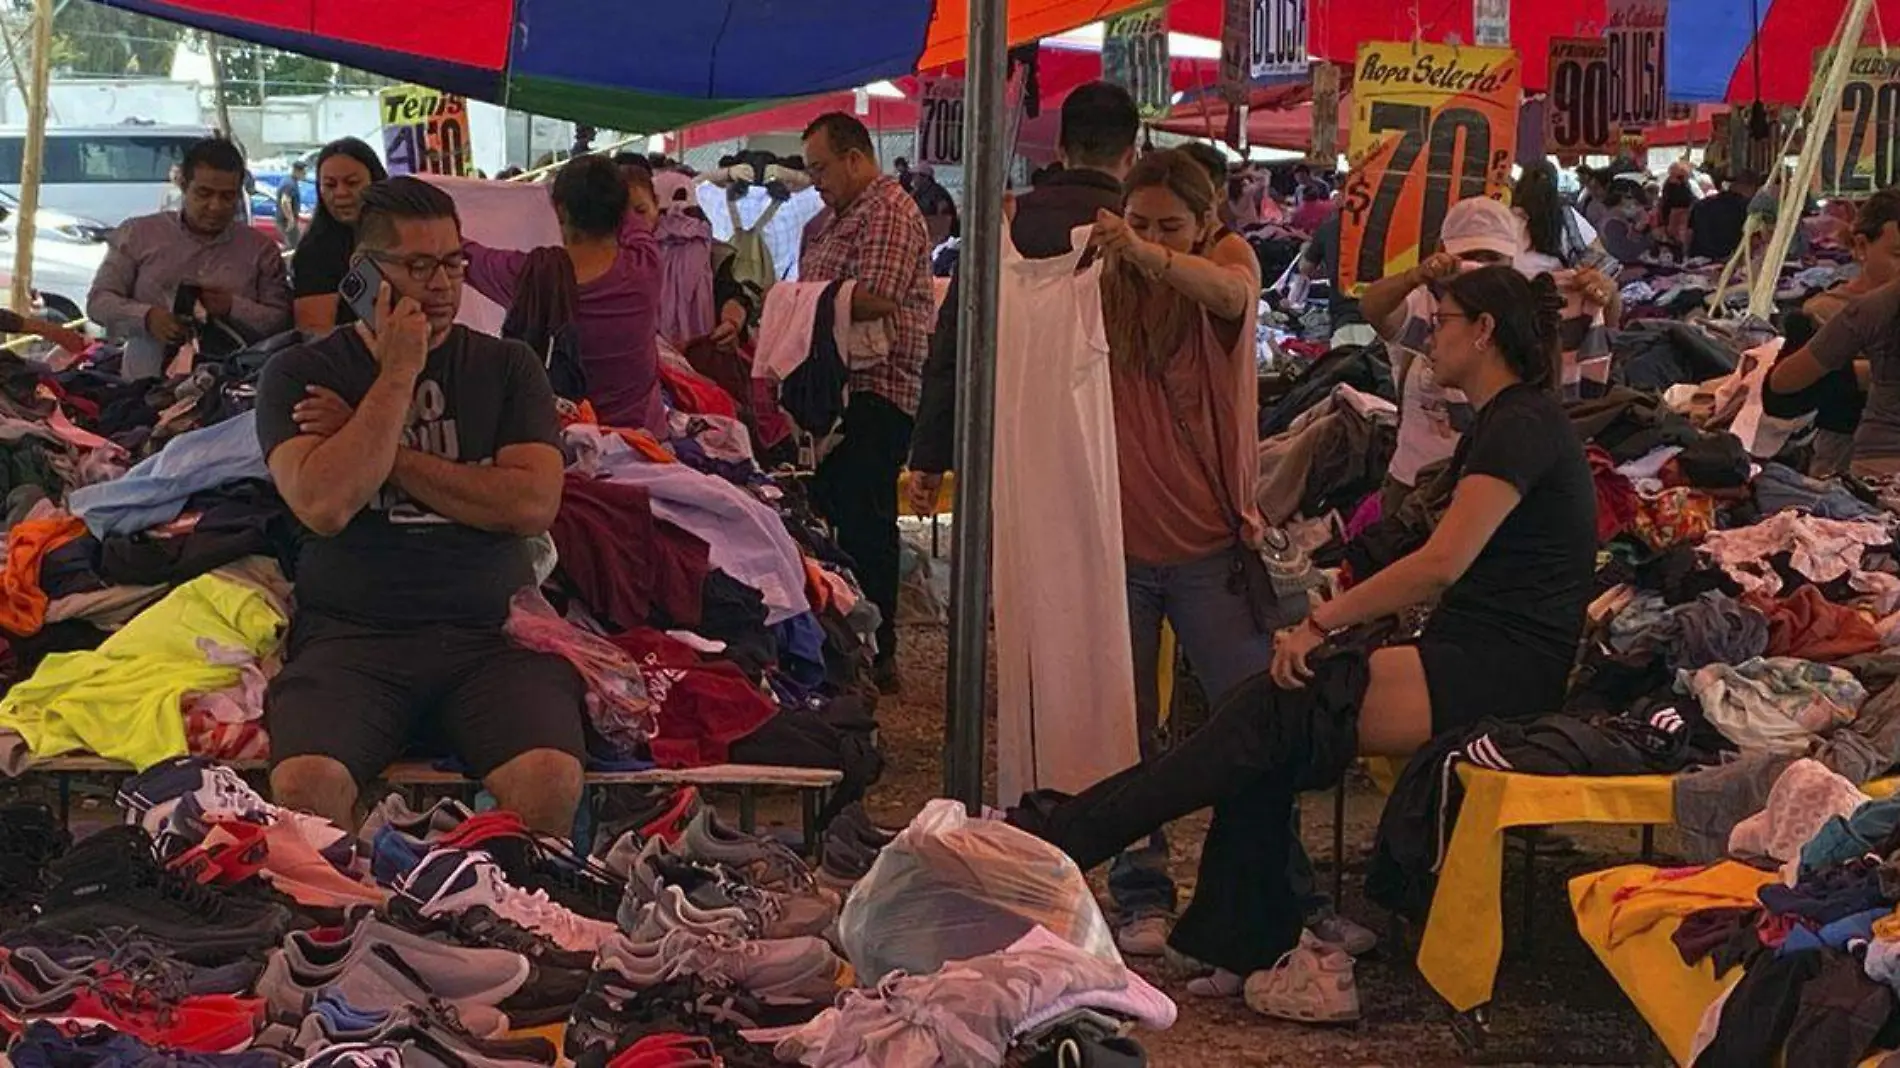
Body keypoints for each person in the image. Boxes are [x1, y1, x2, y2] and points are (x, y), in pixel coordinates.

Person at [1012, 265, 1595, 1022]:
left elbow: (1444, 561)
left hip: (1499, 669)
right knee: (1267, 720)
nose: (1433, 332)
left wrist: (1323, 622)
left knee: (1269, 716)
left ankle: (1053, 845)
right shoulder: (1504, 419)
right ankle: (1230, 932)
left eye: (1444, 318)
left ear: (1483, 332)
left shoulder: (1520, 423)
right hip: (1477, 650)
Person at [256, 177, 583, 836]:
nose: (442, 284)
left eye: (454, 261)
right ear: (364, 275)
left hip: (491, 636)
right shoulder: (299, 375)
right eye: (418, 266)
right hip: (352, 640)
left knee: (550, 778)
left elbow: (530, 503)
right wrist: (399, 374)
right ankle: (351, 929)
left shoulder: (509, 367)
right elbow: (323, 503)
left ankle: (503, 921)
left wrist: (384, 450)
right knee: (304, 787)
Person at [1363, 197, 1615, 514]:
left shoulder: (1531, 305)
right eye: (1468, 257)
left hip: (1495, 482)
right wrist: (1416, 276)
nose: (1479, 267)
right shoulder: (1426, 302)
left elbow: (1602, 338)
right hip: (1418, 478)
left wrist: (1604, 297)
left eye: (1491, 257)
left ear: (1512, 258)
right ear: (1445, 252)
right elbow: (1373, 308)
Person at [799, 112, 935, 694]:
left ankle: (878, 653)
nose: (816, 181)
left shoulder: (887, 210)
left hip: (879, 389)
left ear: (855, 157)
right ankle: (852, 641)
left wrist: (809, 300)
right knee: (840, 513)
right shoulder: (840, 217)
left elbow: (878, 297)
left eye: (821, 168)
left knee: (866, 522)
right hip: (843, 391)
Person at [464, 154, 664, 435]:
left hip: (564, 447)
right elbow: (635, 222)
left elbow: (465, 255)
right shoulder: (646, 264)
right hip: (644, 443)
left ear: (559, 211)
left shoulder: (531, 276)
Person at [88, 136, 291, 379]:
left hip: (230, 392)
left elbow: (281, 322)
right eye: (204, 193)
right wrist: (148, 317)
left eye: (227, 197)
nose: (215, 206)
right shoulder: (138, 235)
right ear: (183, 184)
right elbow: (98, 302)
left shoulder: (261, 250)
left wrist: (231, 306)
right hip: (143, 389)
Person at [1768, 188, 1900, 479]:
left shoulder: (1862, 310)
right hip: (1848, 459)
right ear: (1863, 246)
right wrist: (1862, 373)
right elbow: (1780, 393)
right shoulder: (1828, 311)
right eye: (1898, 255)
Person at [292, 138, 389, 334]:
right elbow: (316, 336)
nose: (341, 193)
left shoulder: (405, 238)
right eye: (330, 185)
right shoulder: (313, 254)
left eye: (352, 183)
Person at [1687, 168, 1760, 261]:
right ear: (1751, 187)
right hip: (1729, 261)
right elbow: (1752, 240)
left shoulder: (1702, 204)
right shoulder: (1748, 208)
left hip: (1697, 259)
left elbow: (1688, 234)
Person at [1597, 178, 1657, 262]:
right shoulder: (1612, 225)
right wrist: (1651, 237)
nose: (1637, 208)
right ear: (1622, 199)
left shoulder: (1620, 218)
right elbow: (1627, 252)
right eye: (1635, 203)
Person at [276, 161, 307, 250]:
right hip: (286, 221)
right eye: (303, 173)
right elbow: (285, 201)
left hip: (286, 220)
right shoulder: (289, 184)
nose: (305, 175)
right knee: (294, 247)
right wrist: (291, 219)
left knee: (291, 245)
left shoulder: (290, 181)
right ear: (297, 171)